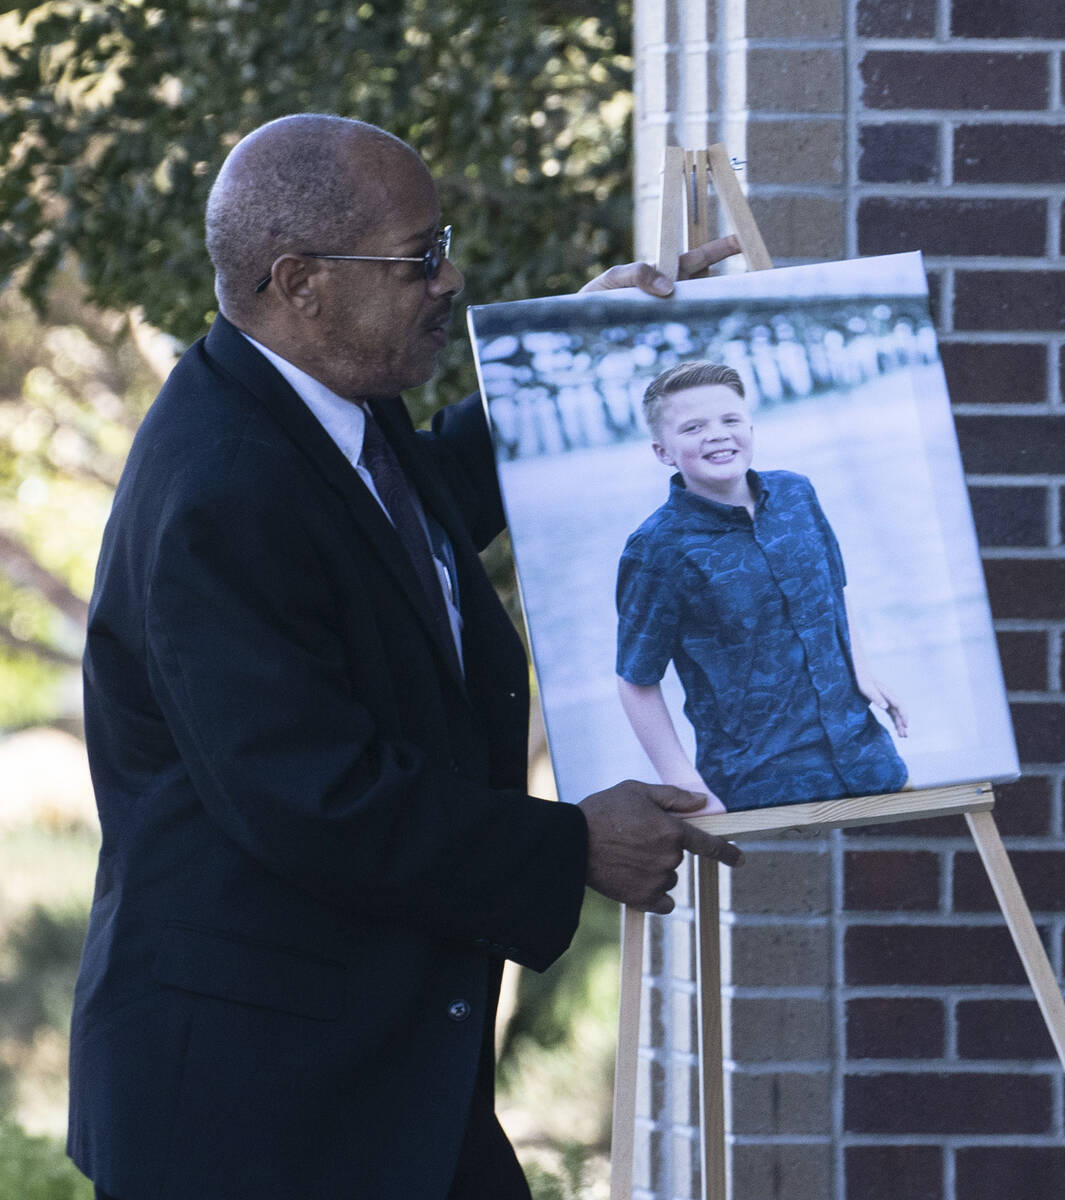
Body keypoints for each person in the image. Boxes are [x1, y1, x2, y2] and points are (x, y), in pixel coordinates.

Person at [68, 115, 744, 1200]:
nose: (450, 278)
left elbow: (416, 516)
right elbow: (314, 796)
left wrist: (581, 347)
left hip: (359, 1081)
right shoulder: (222, 489)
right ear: (301, 283)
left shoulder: (319, 409)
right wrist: (570, 846)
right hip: (256, 1115)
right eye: (418, 257)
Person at [615, 360, 909, 813]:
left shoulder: (797, 494)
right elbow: (636, 680)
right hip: (757, 783)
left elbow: (836, 592)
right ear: (663, 451)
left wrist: (862, 672)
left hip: (867, 756)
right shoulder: (656, 548)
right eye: (693, 427)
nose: (717, 434)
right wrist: (688, 788)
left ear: (749, 426)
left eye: (729, 419)